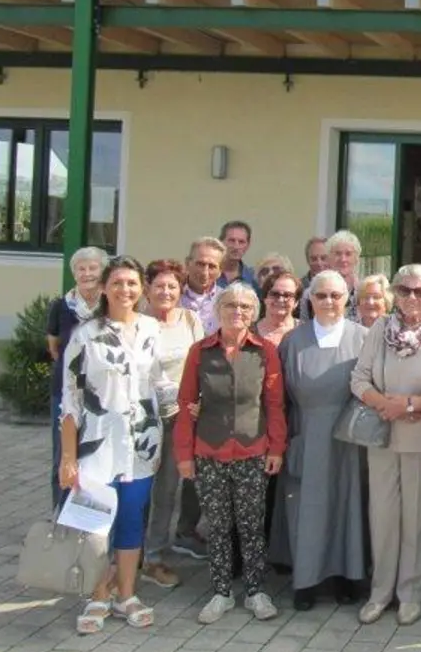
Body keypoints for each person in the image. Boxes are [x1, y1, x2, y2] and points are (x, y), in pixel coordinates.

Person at [59, 257, 162, 635]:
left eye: (132, 283)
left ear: (142, 288)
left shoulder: (152, 328)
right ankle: (98, 596)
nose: (125, 290)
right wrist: (68, 457)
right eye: (117, 283)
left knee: (132, 521)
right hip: (96, 445)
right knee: (96, 526)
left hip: (141, 447)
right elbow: (70, 399)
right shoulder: (85, 334)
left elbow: (159, 383)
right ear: (104, 287)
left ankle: (127, 594)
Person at [175, 282, 287, 625]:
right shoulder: (200, 351)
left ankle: (255, 591)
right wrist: (184, 454)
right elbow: (186, 403)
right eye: (230, 305)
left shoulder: (265, 351)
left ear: (253, 313)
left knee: (252, 525)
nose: (237, 312)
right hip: (209, 451)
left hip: (252, 451)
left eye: (245, 307)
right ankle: (221, 591)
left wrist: (276, 447)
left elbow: (274, 404)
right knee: (219, 526)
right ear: (218, 310)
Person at [351, 265, 421, 626]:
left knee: (417, 518)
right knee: (382, 516)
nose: (412, 297)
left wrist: (412, 404)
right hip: (381, 434)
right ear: (395, 293)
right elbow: (358, 378)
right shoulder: (380, 329)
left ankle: (411, 593)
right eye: (405, 290)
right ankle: (380, 592)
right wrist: (385, 404)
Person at [272, 270, 369, 611]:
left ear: (347, 299)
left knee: (347, 507)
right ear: (310, 299)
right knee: (306, 509)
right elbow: (279, 399)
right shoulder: (292, 341)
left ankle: (347, 576)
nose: (328, 301)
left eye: (336, 295)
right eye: (321, 295)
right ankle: (307, 581)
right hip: (306, 434)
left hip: (349, 439)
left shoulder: (363, 338)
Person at [140, 259, 204, 590]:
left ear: (181, 290)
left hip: (178, 417)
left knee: (166, 489)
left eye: (172, 286)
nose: (166, 292)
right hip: (140, 417)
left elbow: (202, 363)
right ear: (147, 288)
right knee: (136, 488)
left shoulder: (190, 320)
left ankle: (153, 556)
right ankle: (124, 553)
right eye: (159, 285)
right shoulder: (136, 322)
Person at [46, 246, 106, 507]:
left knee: (95, 452)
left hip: (101, 391)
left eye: (93, 268)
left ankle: (90, 511)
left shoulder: (110, 305)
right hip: (66, 389)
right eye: (81, 269)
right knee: (63, 454)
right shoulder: (60, 307)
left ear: (103, 272)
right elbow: (55, 348)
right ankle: (61, 512)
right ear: (74, 274)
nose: (87, 273)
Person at [216, 220, 257, 289]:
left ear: (248, 245)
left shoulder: (253, 278)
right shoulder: (209, 274)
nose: (236, 247)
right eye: (231, 241)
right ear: (221, 242)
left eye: (241, 242)